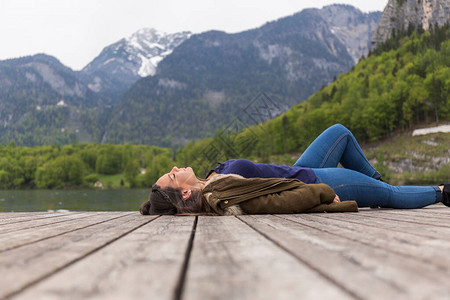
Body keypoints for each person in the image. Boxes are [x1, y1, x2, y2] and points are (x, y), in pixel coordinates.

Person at [140, 124, 449, 215]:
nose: (174, 167)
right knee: (391, 195)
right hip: (316, 180)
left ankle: (373, 184)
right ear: (183, 190)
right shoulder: (221, 193)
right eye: (171, 174)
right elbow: (273, 200)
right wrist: (320, 195)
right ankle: (441, 192)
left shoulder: (213, 180)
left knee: (340, 133)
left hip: (299, 169)